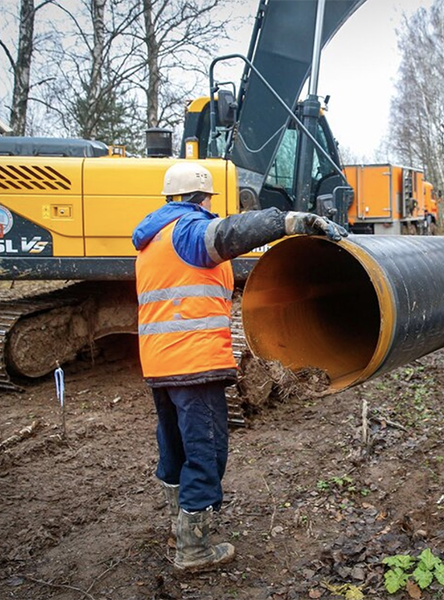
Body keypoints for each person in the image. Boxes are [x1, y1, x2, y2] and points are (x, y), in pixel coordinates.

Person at [132, 162, 347, 572]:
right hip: (194, 364)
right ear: (202, 198)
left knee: (175, 447)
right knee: (205, 451)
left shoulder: (151, 240)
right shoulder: (188, 231)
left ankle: (179, 529)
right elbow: (229, 234)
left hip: (160, 365)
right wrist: (288, 221)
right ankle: (193, 548)